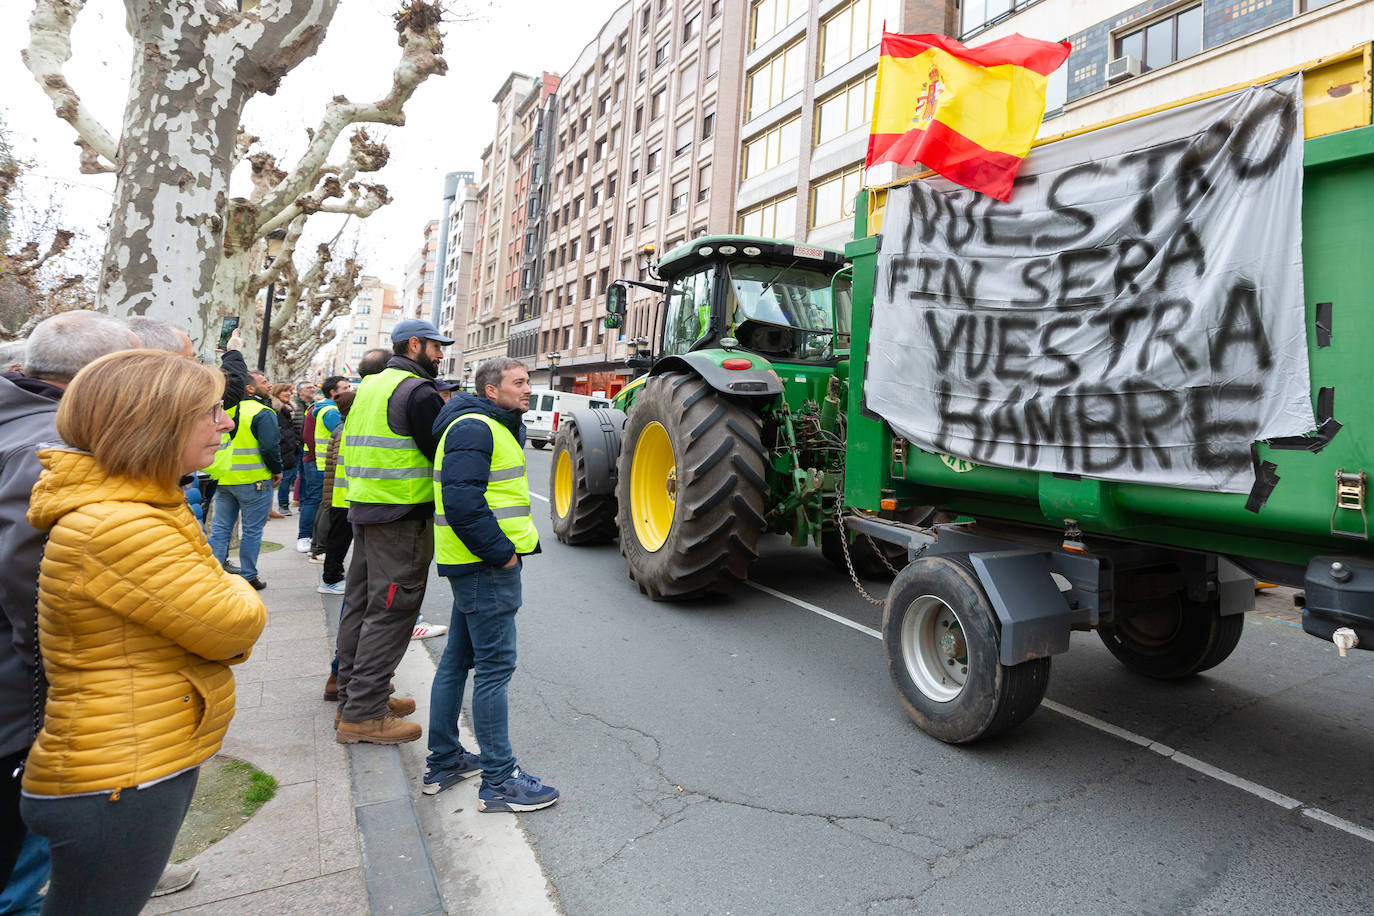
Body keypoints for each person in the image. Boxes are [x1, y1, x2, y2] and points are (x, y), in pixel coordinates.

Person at [20, 349, 266, 915]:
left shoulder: (138, 505)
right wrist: (239, 587)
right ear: (154, 424)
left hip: (131, 757)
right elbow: (233, 625)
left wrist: (223, 582)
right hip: (121, 774)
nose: (226, 421)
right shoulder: (119, 522)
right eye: (210, 411)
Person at [0, 311, 139, 901]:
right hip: (22, 704)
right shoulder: (57, 449)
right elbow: (33, 588)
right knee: (19, 880)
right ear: (102, 376)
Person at [423, 357, 557, 812]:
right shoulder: (476, 428)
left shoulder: (484, 425)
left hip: (473, 566)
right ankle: (500, 780)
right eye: (519, 383)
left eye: (528, 382)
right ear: (490, 391)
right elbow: (463, 502)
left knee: (457, 661)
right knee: (495, 670)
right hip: (485, 567)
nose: (527, 390)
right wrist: (501, 553)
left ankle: (444, 760)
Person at [334, 319, 450, 745]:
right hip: (401, 518)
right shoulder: (417, 392)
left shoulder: (371, 386)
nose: (441, 355)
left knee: (361, 607)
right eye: (436, 347)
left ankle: (355, 698)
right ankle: (364, 713)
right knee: (391, 613)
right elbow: (441, 451)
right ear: (415, 345)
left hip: (366, 510)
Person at [206, 369, 282, 589]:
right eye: (264, 381)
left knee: (220, 528)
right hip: (254, 480)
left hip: (223, 478)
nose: (269, 385)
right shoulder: (262, 412)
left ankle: (215, 573)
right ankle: (249, 575)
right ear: (249, 388)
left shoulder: (224, 409)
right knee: (252, 530)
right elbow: (269, 447)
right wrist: (277, 469)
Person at [304, 375, 353, 557]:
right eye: (346, 387)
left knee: (323, 505)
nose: (349, 390)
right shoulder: (332, 412)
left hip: (325, 463)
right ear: (334, 392)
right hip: (331, 465)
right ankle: (319, 548)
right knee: (327, 507)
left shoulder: (323, 408)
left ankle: (316, 546)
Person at [271, 382, 299, 517]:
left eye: (289, 391)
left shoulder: (288, 408)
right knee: (282, 479)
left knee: (286, 478)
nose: (288, 393)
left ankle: (271, 509)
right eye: (284, 391)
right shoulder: (276, 409)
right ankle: (280, 506)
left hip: (289, 447)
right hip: (282, 447)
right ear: (277, 393)